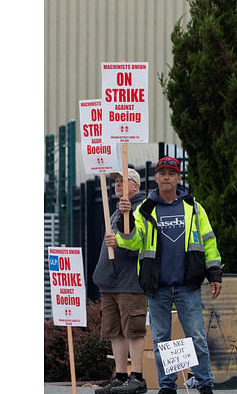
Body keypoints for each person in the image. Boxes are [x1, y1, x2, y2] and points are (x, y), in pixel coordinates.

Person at [106, 156, 222, 394]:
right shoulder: (146, 209)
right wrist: (124, 223)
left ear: (179, 178)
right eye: (162, 173)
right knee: (161, 340)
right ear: (156, 178)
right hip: (156, 285)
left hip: (187, 284)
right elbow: (132, 242)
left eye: (171, 173)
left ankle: (204, 383)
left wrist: (215, 274)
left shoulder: (193, 208)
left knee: (197, 337)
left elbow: (209, 242)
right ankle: (167, 386)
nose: (166, 177)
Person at [93, 168, 148, 394]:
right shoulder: (116, 211)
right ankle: (121, 374)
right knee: (115, 330)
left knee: (133, 329)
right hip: (110, 282)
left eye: (124, 181)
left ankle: (137, 376)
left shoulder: (141, 210)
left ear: (136, 186)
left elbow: (138, 241)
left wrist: (121, 239)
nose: (117, 185)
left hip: (130, 281)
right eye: (116, 181)